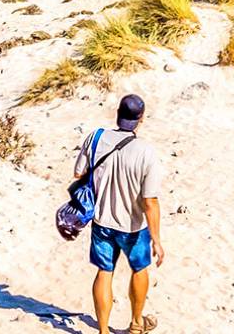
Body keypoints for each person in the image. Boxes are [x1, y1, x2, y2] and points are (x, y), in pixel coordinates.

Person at [77, 94, 165, 334]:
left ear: (117, 113)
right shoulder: (146, 151)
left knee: (104, 272)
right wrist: (156, 240)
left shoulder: (95, 138)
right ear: (141, 119)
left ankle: (103, 331)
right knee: (139, 269)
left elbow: (78, 173)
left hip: (101, 221)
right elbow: (150, 200)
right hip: (133, 226)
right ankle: (136, 324)